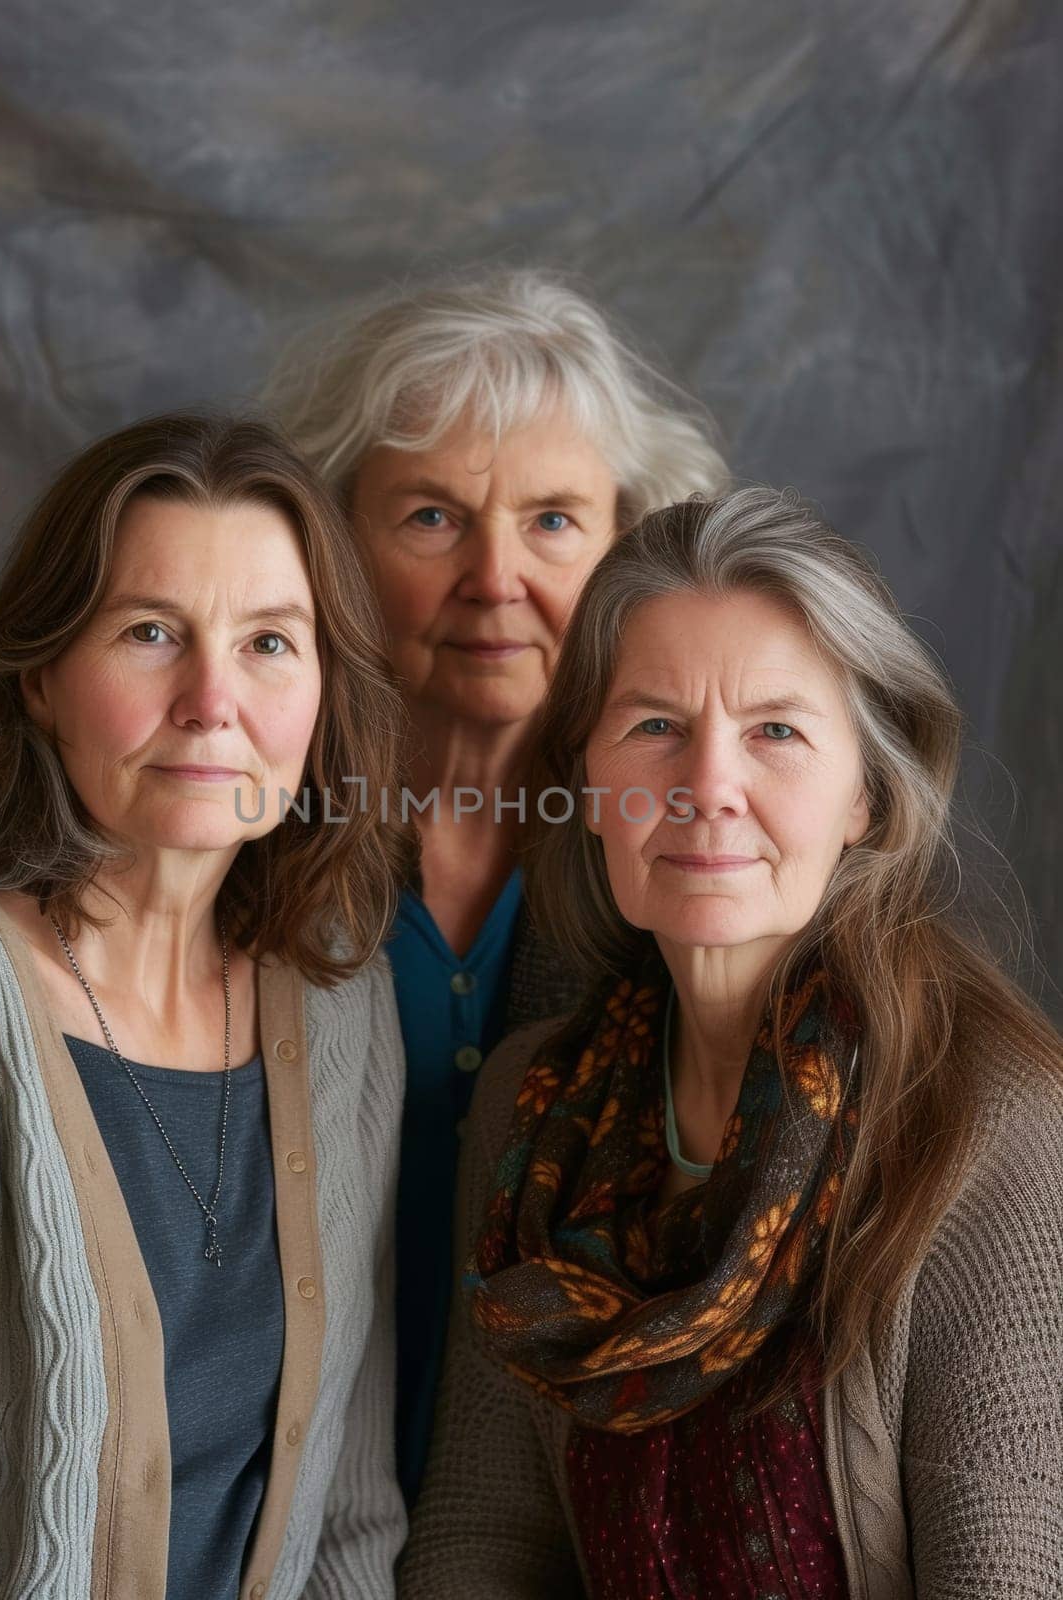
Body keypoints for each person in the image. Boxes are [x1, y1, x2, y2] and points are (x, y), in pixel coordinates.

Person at [399, 486, 1063, 1597]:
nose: (708, 788)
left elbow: (1003, 1575)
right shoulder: (533, 1103)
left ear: (865, 795)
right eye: (654, 726)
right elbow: (481, 1534)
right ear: (586, 782)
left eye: (775, 733)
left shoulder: (987, 1120)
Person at [0, 414, 414, 1600]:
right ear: (44, 683)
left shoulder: (340, 1000)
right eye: (150, 632)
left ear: (322, 698)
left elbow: (351, 1518)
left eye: (269, 641)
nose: (213, 700)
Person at [265, 268, 730, 1506]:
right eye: (430, 517)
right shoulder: (240, 845)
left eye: (551, 521)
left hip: (568, 1519)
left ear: (628, 545)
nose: (494, 576)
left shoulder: (698, 869)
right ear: (332, 543)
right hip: (274, 1521)